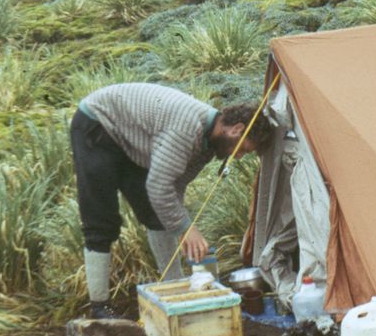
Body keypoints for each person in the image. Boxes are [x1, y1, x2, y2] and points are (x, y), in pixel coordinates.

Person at [71, 82, 272, 319]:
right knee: (101, 218)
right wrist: (186, 229)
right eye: (243, 150)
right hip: (98, 123)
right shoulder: (187, 130)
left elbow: (174, 188)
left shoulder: (208, 144)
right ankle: (99, 306)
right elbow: (159, 186)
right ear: (236, 129)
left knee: (156, 212)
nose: (237, 156)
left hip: (130, 139)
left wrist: (182, 227)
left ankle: (175, 289)